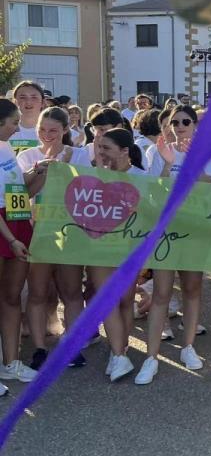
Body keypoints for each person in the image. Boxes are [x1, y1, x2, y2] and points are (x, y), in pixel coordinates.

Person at [137, 105, 209, 384]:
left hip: (194, 229)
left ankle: (188, 347)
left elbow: (210, 184)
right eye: (173, 122)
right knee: (161, 294)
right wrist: (167, 164)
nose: (179, 126)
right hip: (165, 231)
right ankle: (151, 357)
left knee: (192, 289)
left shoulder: (206, 151)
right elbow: (154, 191)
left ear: (194, 125)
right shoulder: (157, 151)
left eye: (185, 121)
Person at [18, 106, 92, 369]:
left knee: (71, 292)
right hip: (38, 232)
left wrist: (66, 166)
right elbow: (23, 194)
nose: (47, 135)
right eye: (42, 129)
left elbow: (85, 193)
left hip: (70, 233)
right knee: (37, 293)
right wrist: (42, 170)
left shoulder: (80, 155)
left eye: (53, 130)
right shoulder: (26, 156)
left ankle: (71, 346)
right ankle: (39, 349)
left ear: (64, 130)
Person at [91, 128, 148, 381]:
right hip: (99, 246)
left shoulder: (141, 177)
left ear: (125, 151)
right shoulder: (93, 174)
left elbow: (146, 211)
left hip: (129, 247)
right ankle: (119, 354)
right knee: (107, 300)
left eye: (106, 148)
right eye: (99, 147)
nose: (100, 153)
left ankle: (120, 351)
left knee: (125, 301)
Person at [0, 99, 38, 388]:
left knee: (12, 297)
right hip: (4, 230)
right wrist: (11, 239)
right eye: (14, 121)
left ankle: (11, 363)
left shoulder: (6, 147)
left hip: (18, 219)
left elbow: (18, 190)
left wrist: (39, 172)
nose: (17, 127)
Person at [10, 81, 45, 154]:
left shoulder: (56, 131)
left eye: (34, 97)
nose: (28, 102)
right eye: (23, 98)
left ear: (43, 103)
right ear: (15, 102)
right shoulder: (3, 132)